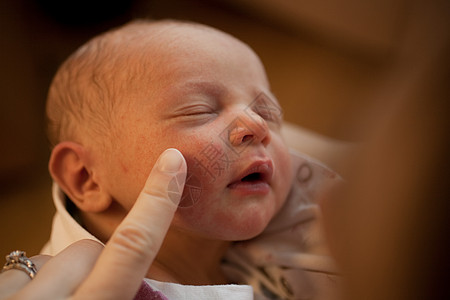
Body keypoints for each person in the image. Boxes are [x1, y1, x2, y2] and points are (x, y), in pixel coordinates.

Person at [1, 19, 342, 299]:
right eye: (200, 110)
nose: (257, 126)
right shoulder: (73, 286)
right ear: (86, 177)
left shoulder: (298, 219)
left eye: (267, 113)